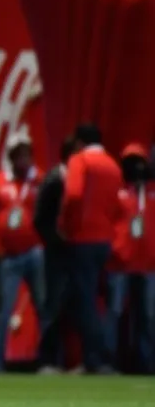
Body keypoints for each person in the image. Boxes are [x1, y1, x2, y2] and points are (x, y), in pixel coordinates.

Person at [57, 123, 122, 373]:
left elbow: (73, 195)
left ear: (81, 142)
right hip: (105, 240)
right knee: (98, 300)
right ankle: (101, 356)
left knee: (84, 301)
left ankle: (95, 359)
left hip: (82, 238)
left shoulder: (80, 160)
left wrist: (65, 225)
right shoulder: (113, 165)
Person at [0, 132, 45, 373]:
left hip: (35, 252)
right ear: (11, 156)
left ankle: (47, 359)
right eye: (18, 154)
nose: (23, 159)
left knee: (42, 305)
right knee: (3, 308)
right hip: (8, 255)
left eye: (26, 154)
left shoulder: (39, 180)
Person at [103, 143, 155, 373]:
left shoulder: (152, 195)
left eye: (140, 162)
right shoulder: (116, 193)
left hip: (149, 264)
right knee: (114, 312)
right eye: (131, 162)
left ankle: (146, 362)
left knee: (148, 315)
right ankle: (108, 361)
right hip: (120, 263)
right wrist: (115, 250)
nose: (136, 167)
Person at [34, 137, 76, 372]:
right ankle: (47, 359)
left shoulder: (76, 179)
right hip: (56, 253)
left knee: (72, 305)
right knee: (52, 304)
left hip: (73, 251)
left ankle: (67, 359)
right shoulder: (54, 179)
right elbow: (40, 219)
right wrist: (57, 240)